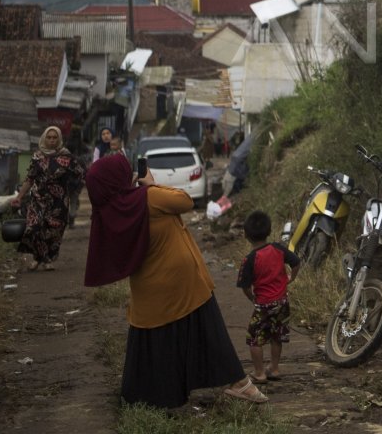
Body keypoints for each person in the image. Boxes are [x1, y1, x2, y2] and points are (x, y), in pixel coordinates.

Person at [84, 153, 265, 407]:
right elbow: (185, 200)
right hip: (183, 280)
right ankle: (238, 383)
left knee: (154, 343)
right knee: (209, 333)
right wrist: (151, 183)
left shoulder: (110, 211)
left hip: (148, 287)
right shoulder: (148, 197)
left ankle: (151, 396)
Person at [237, 210, 301, 383]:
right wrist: (290, 278)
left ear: (246, 235)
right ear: (269, 231)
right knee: (276, 335)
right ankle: (274, 368)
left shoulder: (250, 259)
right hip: (282, 302)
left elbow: (245, 286)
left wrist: (253, 298)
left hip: (264, 304)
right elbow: (296, 262)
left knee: (254, 339)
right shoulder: (278, 248)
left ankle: (259, 373)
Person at [11, 126, 84, 271]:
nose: (51, 140)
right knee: (34, 227)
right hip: (38, 199)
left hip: (59, 201)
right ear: (44, 138)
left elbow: (80, 174)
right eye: (49, 137)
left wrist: (74, 187)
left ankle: (46, 259)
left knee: (54, 231)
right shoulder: (37, 157)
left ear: (59, 139)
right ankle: (40, 258)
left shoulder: (67, 157)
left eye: (54, 137)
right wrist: (19, 197)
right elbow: (30, 178)